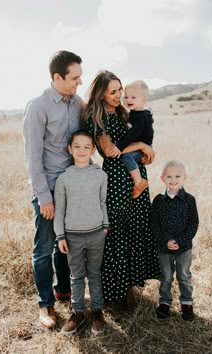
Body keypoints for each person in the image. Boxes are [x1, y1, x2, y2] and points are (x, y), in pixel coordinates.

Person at [82, 70, 161, 309]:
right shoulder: (96, 118)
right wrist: (141, 145)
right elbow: (110, 151)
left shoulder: (123, 112)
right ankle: (112, 293)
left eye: (120, 90)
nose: (119, 95)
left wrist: (145, 150)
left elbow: (142, 135)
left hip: (136, 176)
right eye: (113, 91)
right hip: (116, 180)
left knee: (136, 227)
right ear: (101, 93)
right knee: (117, 232)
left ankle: (129, 288)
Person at [23, 50, 83, 329]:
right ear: (57, 77)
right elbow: (33, 158)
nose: (79, 82)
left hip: (72, 185)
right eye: (74, 77)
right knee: (44, 247)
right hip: (47, 187)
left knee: (65, 244)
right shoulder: (38, 106)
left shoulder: (78, 103)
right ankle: (45, 304)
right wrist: (44, 197)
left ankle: (62, 289)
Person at [54, 130, 108, 334]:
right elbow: (59, 210)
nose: (82, 151)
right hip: (72, 236)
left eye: (87, 147)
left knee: (94, 274)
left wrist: (105, 226)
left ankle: (97, 311)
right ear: (70, 149)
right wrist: (61, 235)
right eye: (77, 146)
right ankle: (77, 312)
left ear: (93, 149)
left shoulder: (100, 175)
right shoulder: (64, 178)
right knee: (76, 276)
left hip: (96, 234)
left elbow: (102, 202)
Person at [151, 160, 199, 321]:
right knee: (166, 277)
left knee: (184, 276)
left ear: (185, 177)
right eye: (169, 176)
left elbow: (193, 223)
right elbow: (154, 224)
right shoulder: (158, 200)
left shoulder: (189, 200)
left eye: (177, 176)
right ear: (162, 178)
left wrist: (181, 241)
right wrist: (166, 241)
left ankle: (186, 303)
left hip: (184, 248)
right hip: (164, 248)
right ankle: (164, 303)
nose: (173, 179)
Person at [110, 80, 154, 199]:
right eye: (126, 97)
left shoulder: (141, 117)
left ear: (144, 100)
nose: (128, 100)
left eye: (133, 97)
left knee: (127, 156)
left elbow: (132, 134)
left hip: (142, 148)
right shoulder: (135, 113)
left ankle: (139, 182)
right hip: (139, 146)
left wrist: (119, 147)